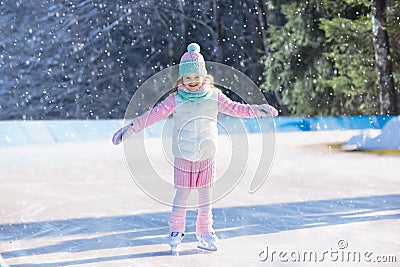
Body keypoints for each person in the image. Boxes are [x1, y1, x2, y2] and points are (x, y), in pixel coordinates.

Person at [112, 43, 278, 251]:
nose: (192, 82)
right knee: (182, 194)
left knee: (205, 195)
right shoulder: (175, 99)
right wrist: (131, 128)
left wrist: (257, 110)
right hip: (183, 154)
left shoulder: (214, 96)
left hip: (207, 155)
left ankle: (205, 232)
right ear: (182, 79)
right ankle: (176, 231)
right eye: (188, 78)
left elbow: (237, 109)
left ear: (203, 76)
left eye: (196, 77)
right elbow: (153, 115)